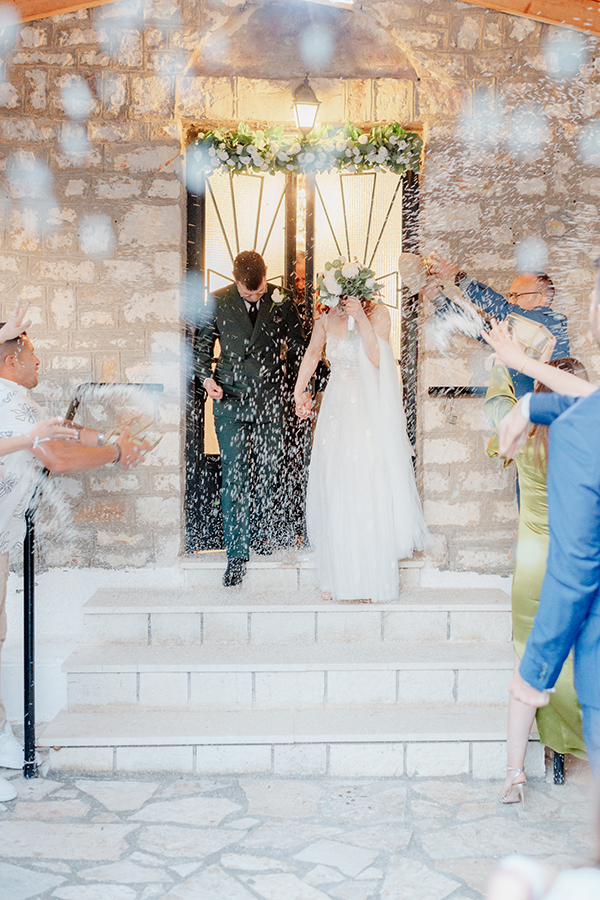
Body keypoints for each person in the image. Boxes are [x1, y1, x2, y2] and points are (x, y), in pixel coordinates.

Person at [0, 327, 149, 802]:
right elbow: (56, 456)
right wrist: (115, 452)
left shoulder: (17, 398)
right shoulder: (8, 400)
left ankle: (1, 736)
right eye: (31, 352)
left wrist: (107, 436)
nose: (38, 360)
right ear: (12, 360)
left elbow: (61, 432)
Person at [496, 261, 600, 777]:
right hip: (559, 558)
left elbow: (576, 567)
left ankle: (519, 766)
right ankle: (566, 749)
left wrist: (525, 387)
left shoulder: (544, 444)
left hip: (536, 557)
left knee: (531, 655)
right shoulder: (582, 427)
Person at [484, 350, 589, 804]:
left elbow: (497, 406)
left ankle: (514, 774)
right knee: (581, 657)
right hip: (572, 562)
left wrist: (503, 365)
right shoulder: (588, 440)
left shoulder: (523, 435)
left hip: (531, 566)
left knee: (524, 664)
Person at [294, 293, 429, 603]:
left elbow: (378, 358)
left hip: (367, 408)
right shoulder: (326, 317)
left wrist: (362, 319)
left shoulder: (379, 314)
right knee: (335, 483)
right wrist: (299, 391)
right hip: (336, 407)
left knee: (366, 483)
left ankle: (369, 578)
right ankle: (335, 575)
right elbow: (313, 354)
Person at [194, 251, 305, 586]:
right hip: (230, 401)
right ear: (236, 280)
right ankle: (236, 553)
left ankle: (261, 534)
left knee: (269, 471)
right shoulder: (217, 301)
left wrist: (302, 390)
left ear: (266, 277)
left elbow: (299, 349)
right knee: (235, 477)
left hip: (270, 400)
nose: (255, 297)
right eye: (248, 293)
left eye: (259, 292)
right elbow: (201, 349)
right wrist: (207, 380)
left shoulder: (282, 299)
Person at [425, 252, 570, 397]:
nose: (511, 302)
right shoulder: (517, 333)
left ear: (541, 299)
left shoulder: (551, 325)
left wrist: (456, 276)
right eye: (510, 296)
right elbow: (477, 327)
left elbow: (503, 308)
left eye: (516, 296)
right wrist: (434, 295)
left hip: (539, 409)